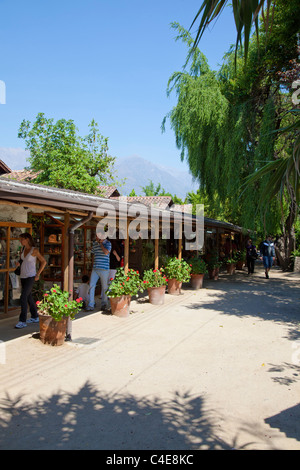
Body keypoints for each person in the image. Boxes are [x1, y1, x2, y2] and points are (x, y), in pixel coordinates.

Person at [15, 233, 47, 329]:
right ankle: (34, 316)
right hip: (23, 276)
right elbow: (22, 260)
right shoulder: (23, 249)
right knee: (28, 297)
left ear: (27, 239)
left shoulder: (34, 250)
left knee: (23, 296)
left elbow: (44, 261)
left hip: (31, 276)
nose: (20, 241)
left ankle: (22, 320)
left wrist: (38, 274)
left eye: (22, 239)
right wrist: (18, 263)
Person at [85, 236, 111, 311]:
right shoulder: (95, 243)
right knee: (91, 286)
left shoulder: (108, 243)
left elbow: (106, 252)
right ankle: (91, 304)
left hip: (104, 269)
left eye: (97, 236)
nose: (96, 237)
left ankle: (104, 304)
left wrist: (101, 244)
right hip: (95, 268)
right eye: (96, 236)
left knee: (104, 287)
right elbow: (93, 254)